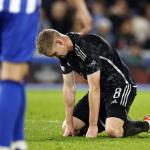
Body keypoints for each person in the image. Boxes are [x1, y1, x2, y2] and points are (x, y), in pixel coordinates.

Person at [36, 29, 150, 138]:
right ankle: (112, 118)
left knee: (113, 130)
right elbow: (69, 87)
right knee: (68, 127)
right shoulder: (65, 53)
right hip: (100, 89)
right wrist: (70, 124)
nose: (57, 57)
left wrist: (93, 126)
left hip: (120, 85)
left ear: (59, 42)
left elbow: (94, 88)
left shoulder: (87, 47)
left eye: (55, 53)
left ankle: (146, 124)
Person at [0, 0, 40, 149]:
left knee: (16, 74)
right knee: (14, 72)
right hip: (17, 8)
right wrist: (80, 8)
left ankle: (18, 141)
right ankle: (3, 143)